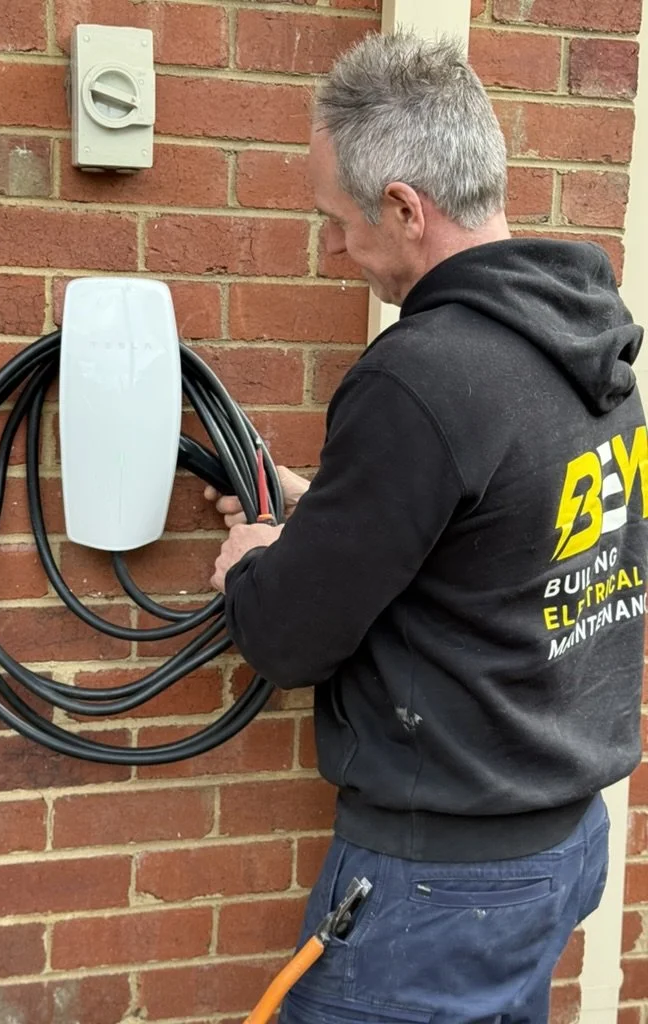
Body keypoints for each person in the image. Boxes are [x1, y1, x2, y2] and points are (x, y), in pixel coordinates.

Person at [206, 30, 646, 1024]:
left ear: (406, 208)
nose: (331, 248)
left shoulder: (422, 375)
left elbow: (289, 638)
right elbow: (501, 537)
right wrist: (326, 508)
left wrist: (253, 562)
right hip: (559, 847)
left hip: (438, 888)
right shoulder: (586, 342)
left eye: (337, 221)